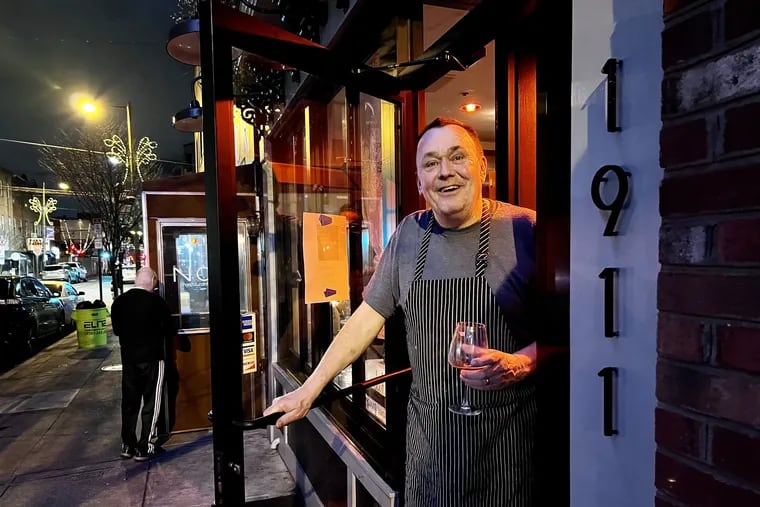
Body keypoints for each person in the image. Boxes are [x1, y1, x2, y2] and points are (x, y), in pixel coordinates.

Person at [264, 117, 539, 505]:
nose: (445, 171)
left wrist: (524, 362)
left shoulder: (526, 229)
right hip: (432, 449)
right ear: (418, 182)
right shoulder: (410, 235)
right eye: (431, 163)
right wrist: (308, 392)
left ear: (482, 167)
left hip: (506, 446)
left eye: (457, 157)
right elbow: (364, 320)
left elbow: (574, 330)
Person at [111, 266, 177, 461]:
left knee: (129, 403)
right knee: (152, 402)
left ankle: (127, 445)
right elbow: (169, 328)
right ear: (153, 280)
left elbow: (116, 331)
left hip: (129, 360)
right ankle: (145, 446)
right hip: (153, 359)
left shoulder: (119, 302)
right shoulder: (157, 302)